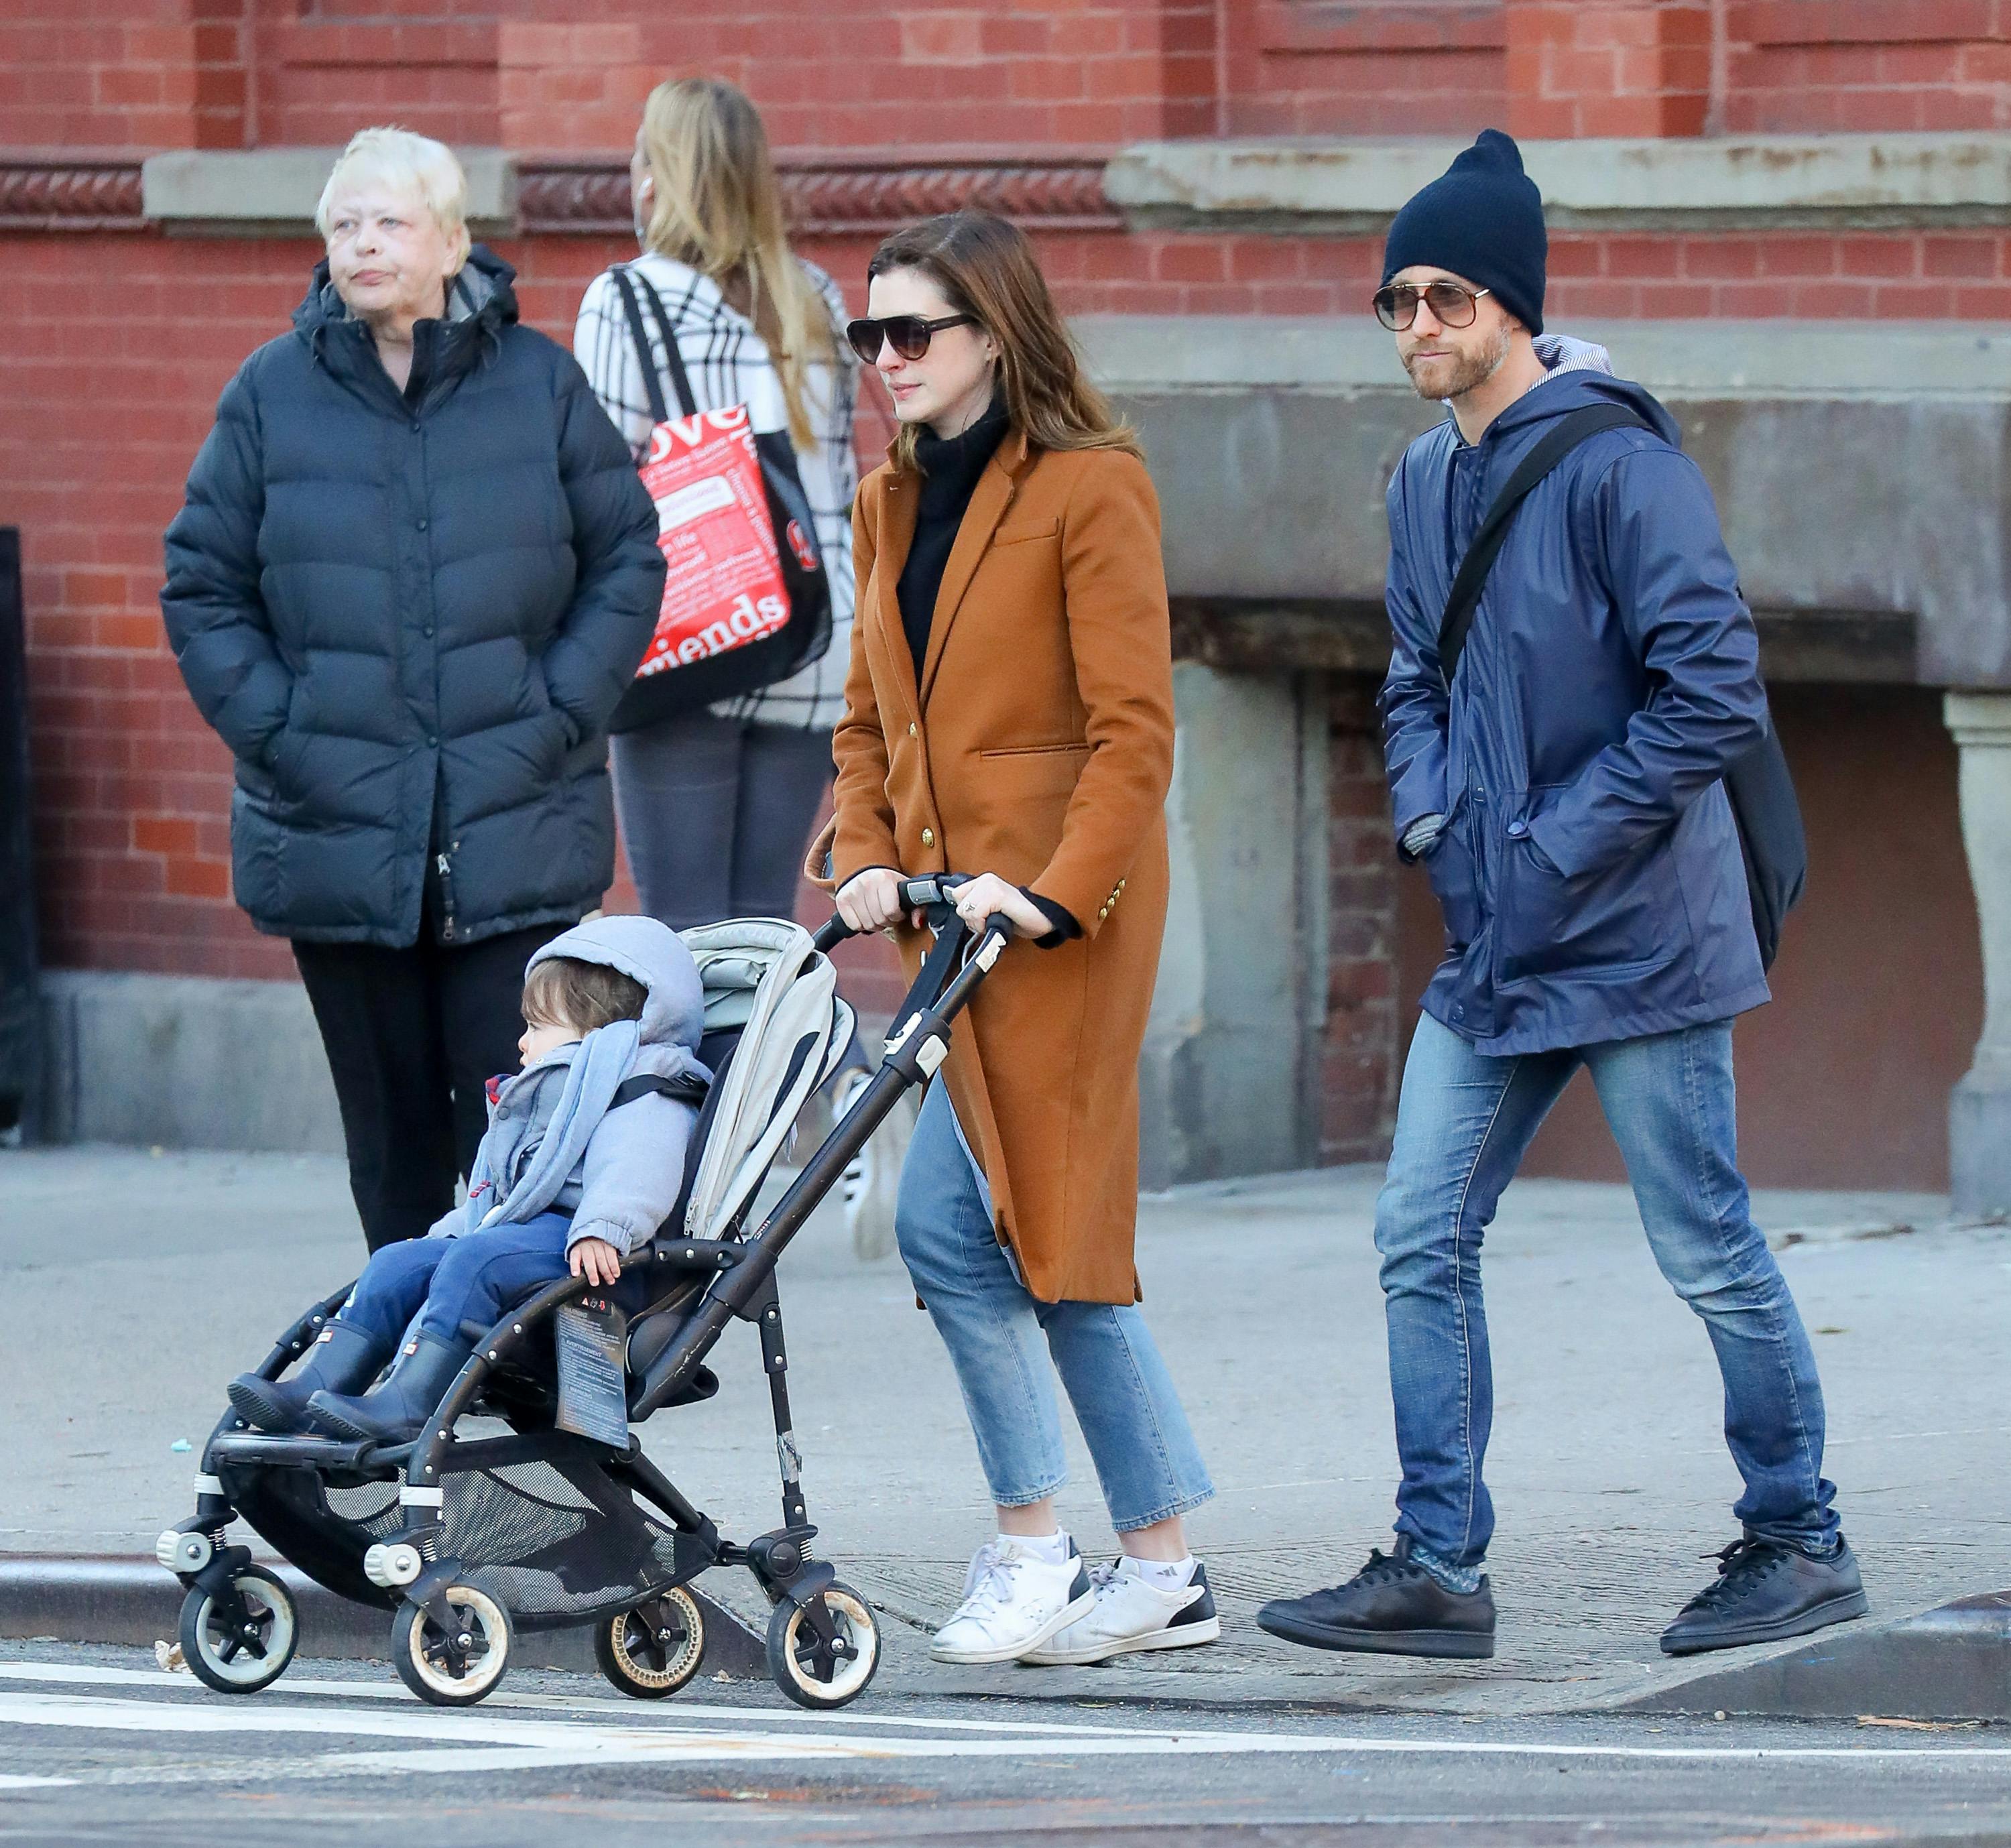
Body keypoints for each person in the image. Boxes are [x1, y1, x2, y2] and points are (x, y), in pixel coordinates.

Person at [1257, 131, 1866, 1663]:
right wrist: (1430, 821)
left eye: (1443, 297)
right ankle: (1436, 1563)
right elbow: (1410, 673)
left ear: (1511, 305)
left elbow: (1709, 688)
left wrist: (1548, 842)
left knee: (1704, 1240)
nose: (1415, 325)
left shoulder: (1618, 464)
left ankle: (1798, 1533)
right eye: (1393, 300)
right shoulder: (1416, 478)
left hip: (1640, 931)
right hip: (1501, 936)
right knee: (1415, 1230)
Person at [823, 210, 1216, 1669]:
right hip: (950, 915)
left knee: (963, 1223)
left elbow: (1133, 735)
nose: (886, 360)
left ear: (995, 331)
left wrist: (1053, 891)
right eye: (870, 335)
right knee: (1047, 1239)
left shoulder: (1089, 488)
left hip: (1063, 922)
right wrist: (864, 854)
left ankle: (1034, 1541)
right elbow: (872, 721)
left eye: (912, 332)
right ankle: (1162, 1561)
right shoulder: (889, 501)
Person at [162, 127, 666, 1255]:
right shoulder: (271, 393)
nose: (363, 244)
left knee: (521, 1119)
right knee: (390, 1145)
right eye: (344, 225)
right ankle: (404, 1365)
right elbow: (200, 581)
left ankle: (514, 1354)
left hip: (516, 817)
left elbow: (629, 552)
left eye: (389, 222)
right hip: (338, 828)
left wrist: (558, 712)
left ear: (451, 241)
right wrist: (284, 734)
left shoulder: (537, 382)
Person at [226, 914, 707, 1444]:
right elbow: (502, 1194)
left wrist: (605, 1226)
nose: (522, 1044)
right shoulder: (560, 1088)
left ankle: (411, 1400)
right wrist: (447, 1234)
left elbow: (639, 1165)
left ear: (600, 1030)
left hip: (597, 1253)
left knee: (475, 1259)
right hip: (529, 1236)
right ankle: (316, 1388)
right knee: (397, 1259)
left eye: (537, 1027)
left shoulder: (646, 1088)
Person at [574, 77, 857, 930]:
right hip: (811, 638)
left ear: (656, 176)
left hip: (689, 642)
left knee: (688, 935)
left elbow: (602, 495)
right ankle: (769, 1068)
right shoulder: (815, 298)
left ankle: (704, 1075)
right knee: (766, 929)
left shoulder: (625, 300)